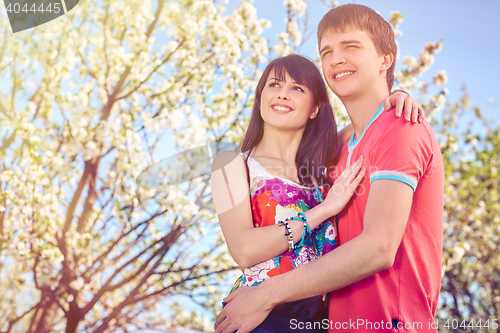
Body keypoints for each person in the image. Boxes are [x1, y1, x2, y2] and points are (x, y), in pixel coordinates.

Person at [214, 4, 444, 333]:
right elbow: (244, 248)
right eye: (327, 51)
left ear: (385, 58)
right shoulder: (334, 152)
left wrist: (265, 296)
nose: (335, 59)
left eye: (351, 46)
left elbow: (378, 247)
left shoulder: (399, 126)